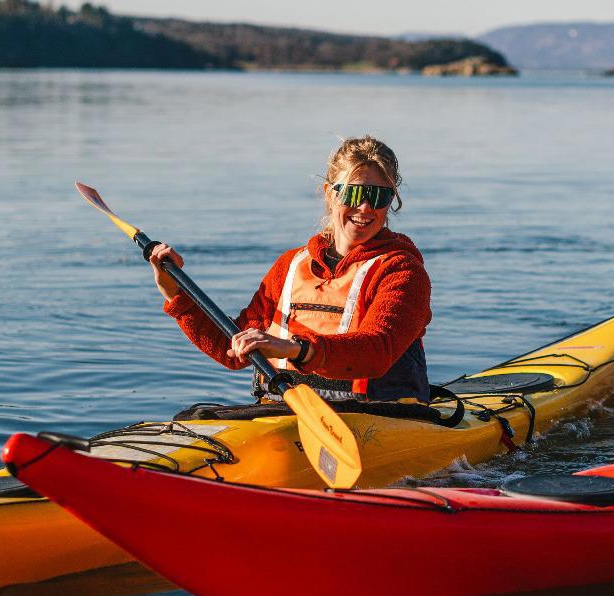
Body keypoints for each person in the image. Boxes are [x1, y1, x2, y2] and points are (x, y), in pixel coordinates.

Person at [148, 135, 431, 403]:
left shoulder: (402, 271)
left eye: (379, 196)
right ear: (330, 194)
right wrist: (176, 296)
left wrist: (296, 348)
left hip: (386, 416)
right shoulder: (291, 265)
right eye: (354, 192)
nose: (365, 206)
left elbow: (377, 351)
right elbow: (232, 351)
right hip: (282, 412)